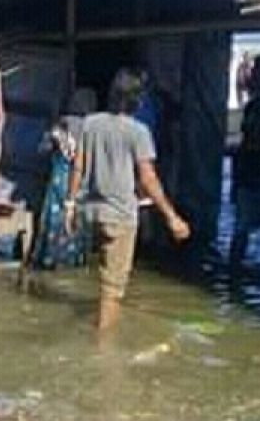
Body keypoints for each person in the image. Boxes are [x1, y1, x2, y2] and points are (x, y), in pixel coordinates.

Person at [66, 68, 190, 331]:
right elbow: (148, 179)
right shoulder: (138, 131)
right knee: (113, 289)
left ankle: (100, 329)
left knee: (104, 277)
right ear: (137, 99)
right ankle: (104, 352)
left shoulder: (90, 123)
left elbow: (77, 167)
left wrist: (70, 205)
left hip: (91, 212)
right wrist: (172, 217)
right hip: (120, 215)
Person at [33, 88, 94, 269]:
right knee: (77, 220)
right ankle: (74, 260)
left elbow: (42, 149)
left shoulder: (61, 125)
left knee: (55, 218)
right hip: (80, 182)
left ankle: (50, 258)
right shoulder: (91, 128)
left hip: (59, 179)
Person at [231, 56, 260, 269]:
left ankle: (234, 274)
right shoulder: (252, 107)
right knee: (241, 230)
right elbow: (244, 146)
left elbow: (245, 146)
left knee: (241, 230)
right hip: (251, 178)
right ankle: (234, 273)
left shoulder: (253, 107)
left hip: (252, 177)